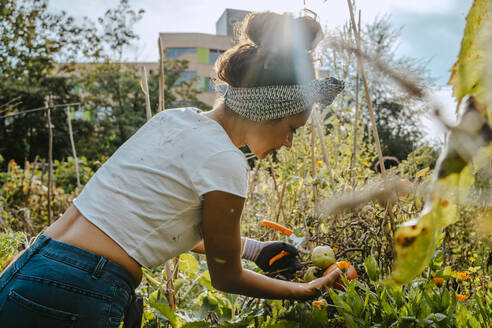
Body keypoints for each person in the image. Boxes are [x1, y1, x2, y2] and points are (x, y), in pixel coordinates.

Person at [0, 11, 344, 327]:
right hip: (80, 287)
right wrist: (305, 290)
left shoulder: (173, 119)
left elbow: (153, 221)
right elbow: (226, 277)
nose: (289, 144)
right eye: (292, 129)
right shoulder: (226, 160)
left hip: (31, 265)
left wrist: (255, 250)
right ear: (269, 108)